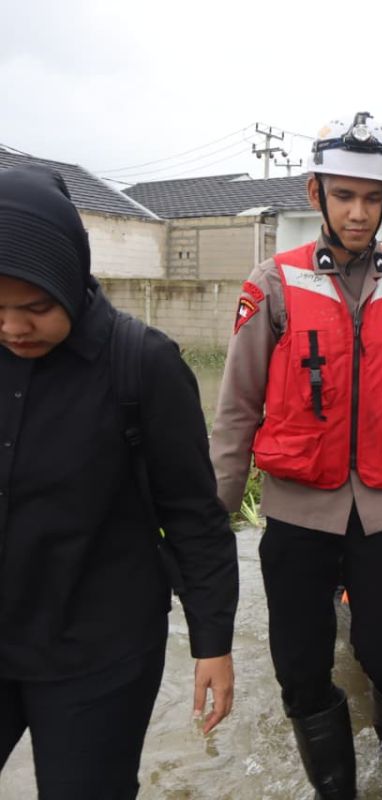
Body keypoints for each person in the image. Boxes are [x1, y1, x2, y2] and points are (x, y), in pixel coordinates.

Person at [209, 112, 382, 797]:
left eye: (372, 198)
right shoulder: (272, 284)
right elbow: (237, 410)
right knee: (302, 671)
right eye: (344, 195)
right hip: (297, 514)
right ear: (317, 197)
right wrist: (209, 517)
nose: (359, 212)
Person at [0, 166, 238, 797]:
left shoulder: (142, 366)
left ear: (71, 280)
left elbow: (194, 516)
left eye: (35, 307)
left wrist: (212, 644)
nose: (13, 327)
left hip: (97, 654)